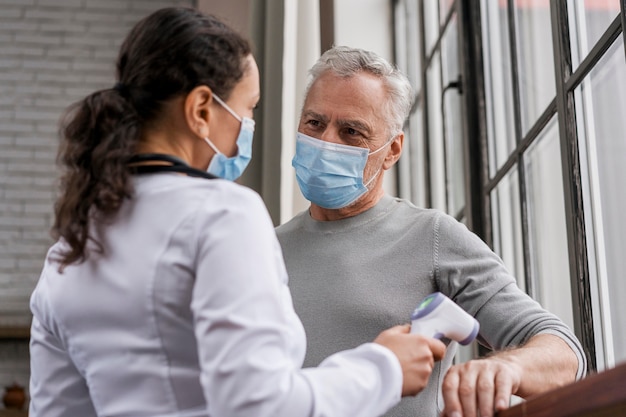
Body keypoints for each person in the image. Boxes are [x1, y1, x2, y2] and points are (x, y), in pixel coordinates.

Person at [28, 9, 447, 417]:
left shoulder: (72, 245)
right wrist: (384, 368)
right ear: (201, 111)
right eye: (249, 110)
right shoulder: (224, 214)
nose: (248, 127)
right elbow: (259, 405)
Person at [275, 45, 587, 417]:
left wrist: (504, 369)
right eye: (314, 123)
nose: (326, 142)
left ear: (392, 150)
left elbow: (565, 355)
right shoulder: (264, 250)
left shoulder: (432, 237)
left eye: (351, 131)